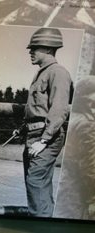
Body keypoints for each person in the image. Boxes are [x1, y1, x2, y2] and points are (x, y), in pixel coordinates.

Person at [15, 28, 73, 217]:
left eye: (35, 48)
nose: (31, 52)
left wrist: (44, 140)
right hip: (34, 135)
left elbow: (58, 110)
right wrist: (24, 129)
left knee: (35, 181)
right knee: (37, 184)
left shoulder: (58, 73)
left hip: (46, 137)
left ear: (48, 49)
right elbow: (37, 110)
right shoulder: (41, 73)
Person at [54, 76, 95, 220]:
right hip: (80, 192)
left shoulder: (75, 118)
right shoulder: (88, 125)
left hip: (66, 188)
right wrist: (92, 199)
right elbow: (89, 166)